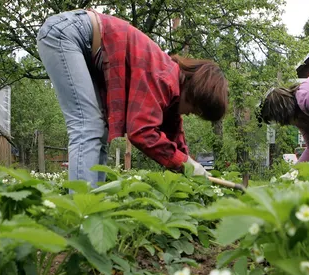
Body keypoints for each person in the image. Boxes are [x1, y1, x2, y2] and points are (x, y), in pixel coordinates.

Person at [36, 9, 228, 188]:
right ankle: (80, 212)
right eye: (194, 109)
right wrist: (184, 162)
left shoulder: (172, 88)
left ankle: (92, 203)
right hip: (67, 33)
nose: (189, 113)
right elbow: (141, 132)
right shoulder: (164, 77)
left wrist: (189, 162)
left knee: (100, 129)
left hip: (80, 41)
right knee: (88, 126)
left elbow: (172, 130)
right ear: (193, 91)